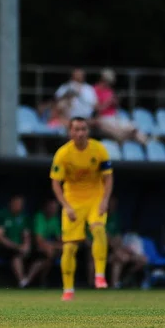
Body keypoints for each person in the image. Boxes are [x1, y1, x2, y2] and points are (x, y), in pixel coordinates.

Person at [50, 117, 114, 301]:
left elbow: (108, 177)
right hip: (73, 202)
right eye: (76, 129)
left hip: (95, 198)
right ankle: (68, 289)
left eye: (83, 129)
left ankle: (100, 275)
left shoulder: (99, 149)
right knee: (69, 247)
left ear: (88, 131)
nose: (80, 133)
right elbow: (55, 183)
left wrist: (104, 201)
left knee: (99, 229)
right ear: (70, 132)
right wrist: (66, 206)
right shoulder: (63, 154)